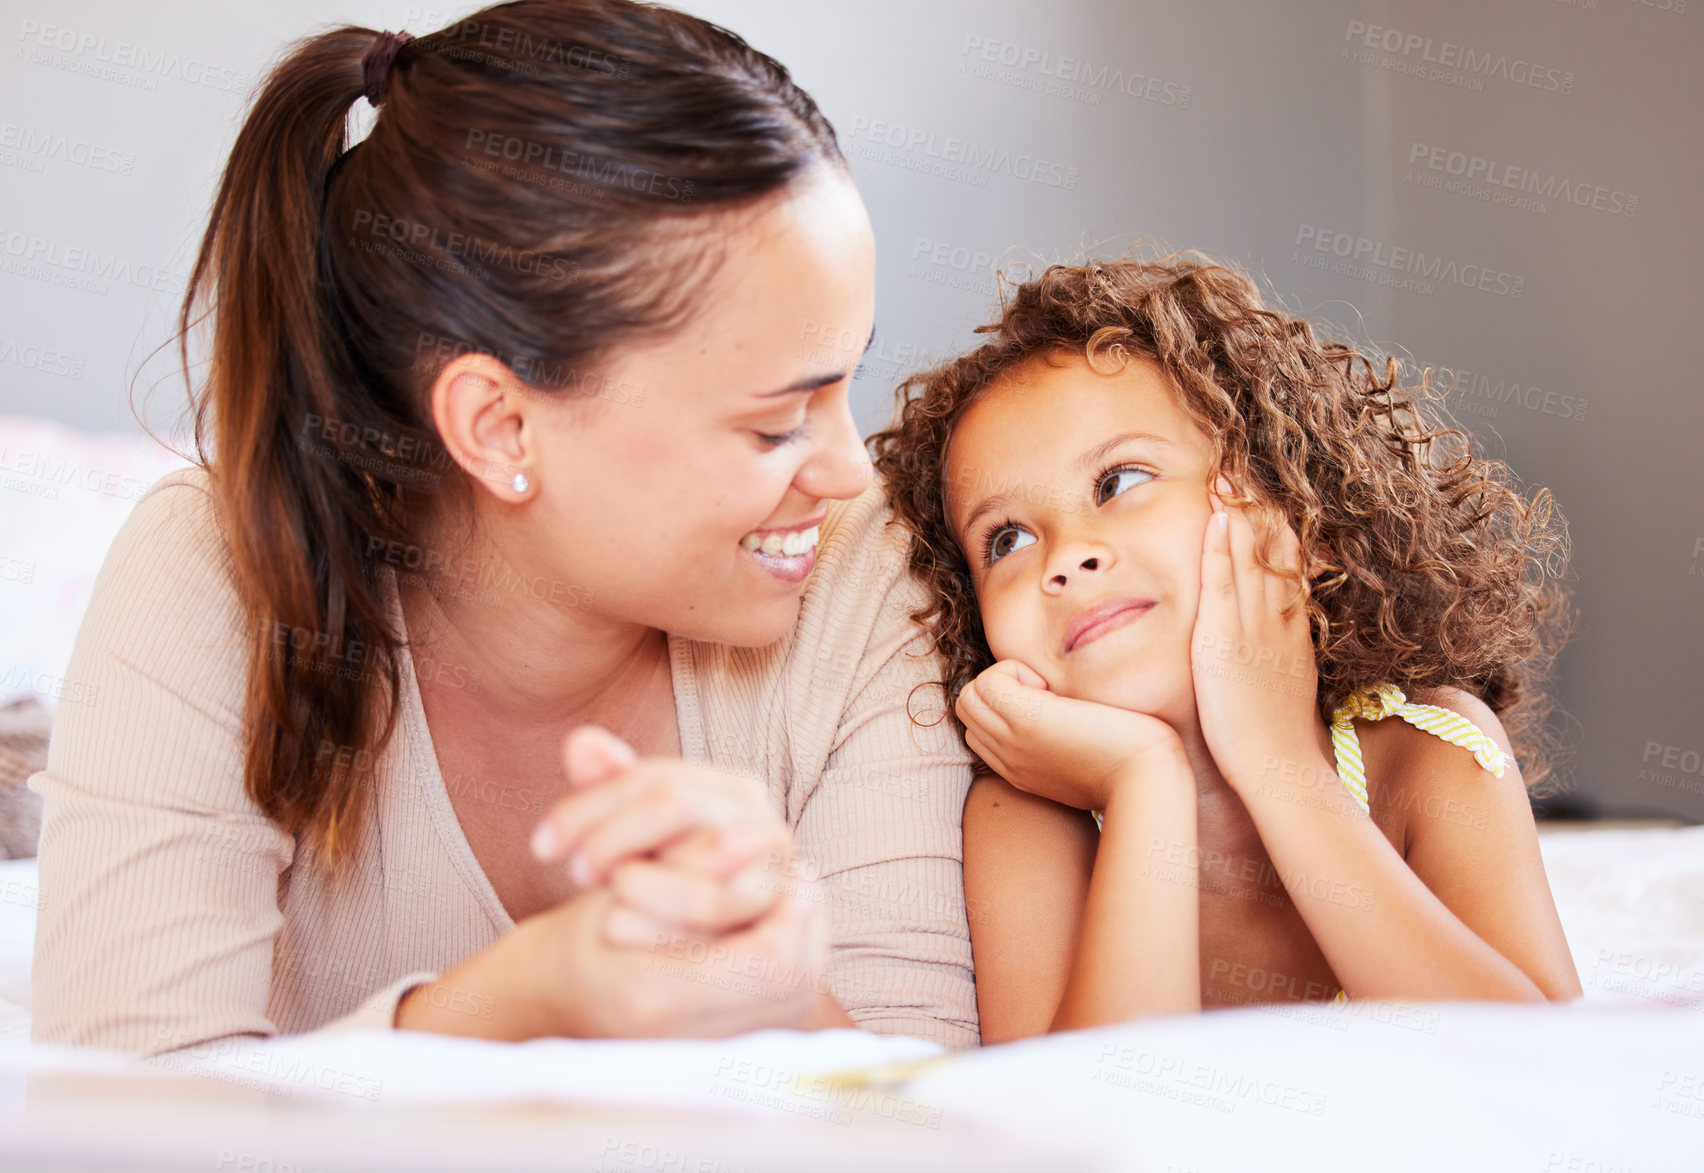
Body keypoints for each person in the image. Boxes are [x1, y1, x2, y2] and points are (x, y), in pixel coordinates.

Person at [30, 0, 979, 1055]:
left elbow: (923, 1110)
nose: (851, 471)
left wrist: (772, 979)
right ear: (499, 426)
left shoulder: (861, 571)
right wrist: (527, 999)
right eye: (772, 425)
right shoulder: (214, 572)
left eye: (848, 381)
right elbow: (124, 1118)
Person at [868, 255, 1583, 1043]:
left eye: (1118, 481)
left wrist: (1276, 756)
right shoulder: (1028, 816)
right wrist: (1144, 781)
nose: (1065, 556)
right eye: (1005, 538)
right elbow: (1077, 1122)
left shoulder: (1432, 753)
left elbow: (1543, 1067)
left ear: (1293, 507)